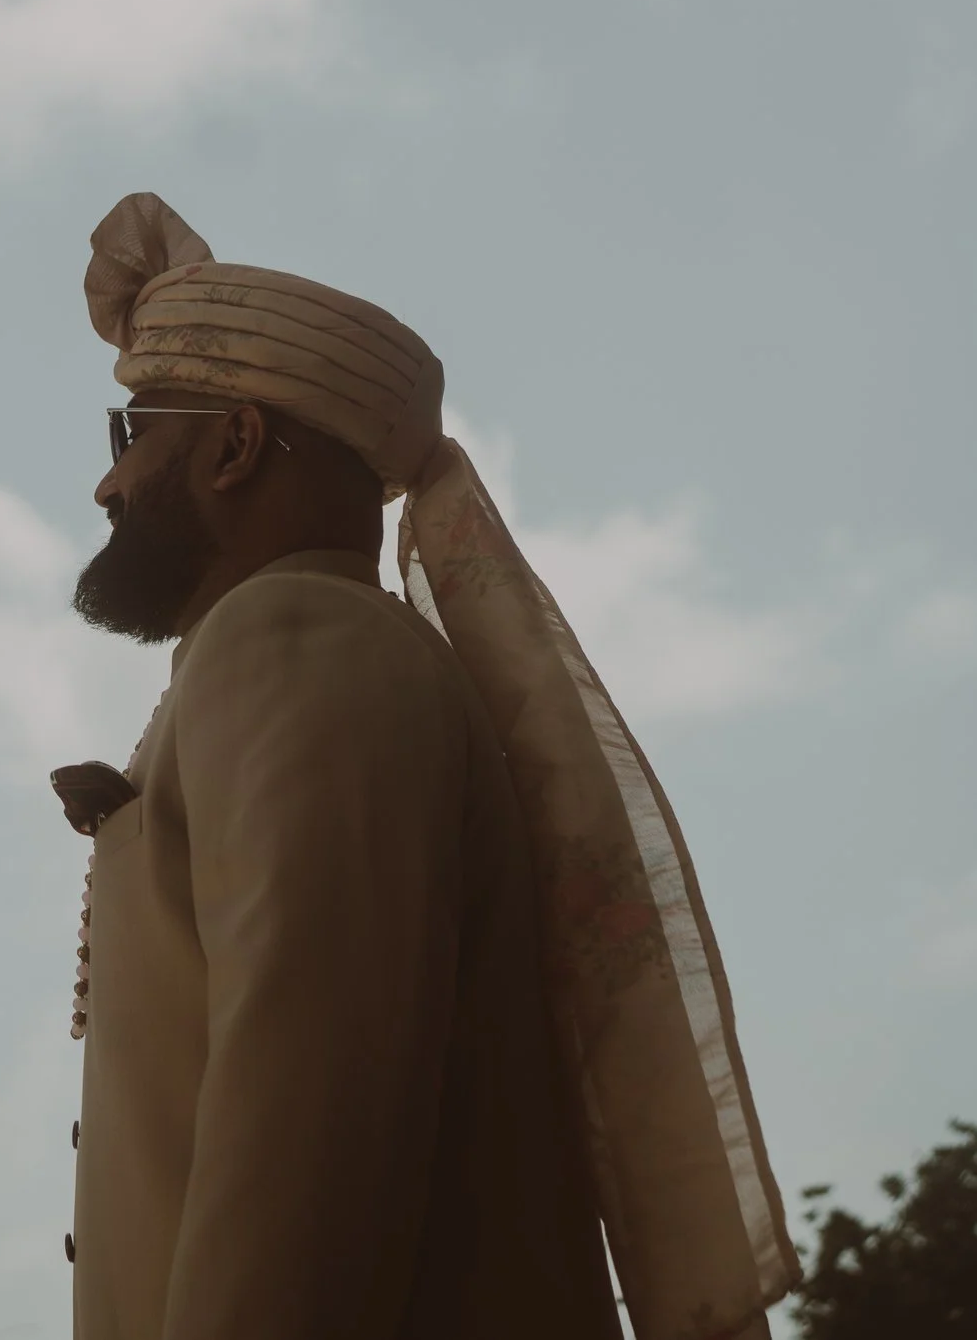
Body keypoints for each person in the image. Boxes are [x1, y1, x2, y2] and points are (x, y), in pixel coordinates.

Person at [59, 194, 798, 1340]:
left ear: (235, 443)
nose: (107, 486)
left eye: (131, 435)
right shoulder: (299, 653)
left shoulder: (298, 643)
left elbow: (305, 1142)